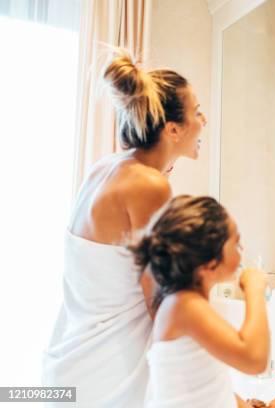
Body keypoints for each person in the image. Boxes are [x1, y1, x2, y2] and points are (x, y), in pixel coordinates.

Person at [42, 49, 206, 406]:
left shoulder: (105, 168)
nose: (204, 120)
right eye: (197, 112)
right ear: (173, 129)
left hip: (73, 360)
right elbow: (157, 299)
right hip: (108, 373)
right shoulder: (150, 186)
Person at [130, 195, 269, 408]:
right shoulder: (184, 306)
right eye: (236, 244)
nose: (242, 251)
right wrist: (255, 289)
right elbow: (255, 360)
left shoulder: (186, 304)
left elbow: (209, 383)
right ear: (210, 264)